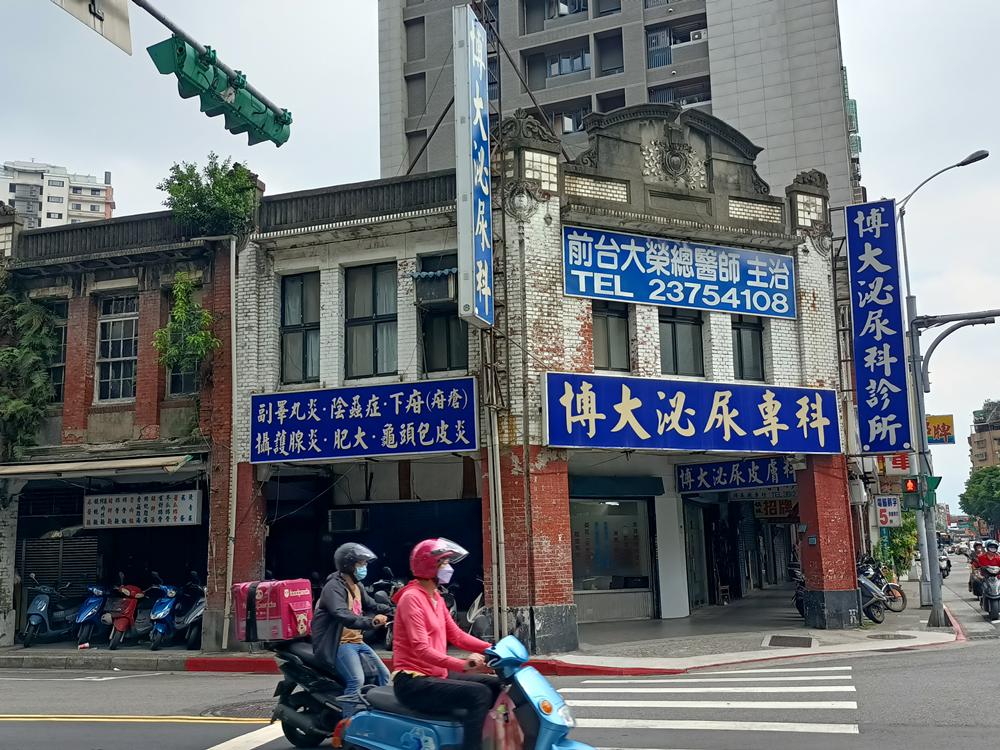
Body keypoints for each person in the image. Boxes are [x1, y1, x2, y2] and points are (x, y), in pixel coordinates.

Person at [391, 538, 500, 750]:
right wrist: (463, 664)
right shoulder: (411, 598)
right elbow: (421, 649)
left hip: (436, 674)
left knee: (496, 685)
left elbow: (456, 635)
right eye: (444, 563)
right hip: (413, 682)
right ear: (429, 566)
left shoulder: (436, 597)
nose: (449, 568)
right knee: (480, 694)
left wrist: (492, 649)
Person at [312, 543, 392, 716]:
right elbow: (342, 614)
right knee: (356, 680)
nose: (364, 567)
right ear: (348, 565)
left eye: (365, 563)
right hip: (340, 643)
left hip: (357, 641)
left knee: (384, 675)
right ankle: (348, 725)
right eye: (361, 563)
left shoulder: (357, 586)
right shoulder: (333, 587)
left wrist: (394, 609)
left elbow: (372, 604)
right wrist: (371, 622)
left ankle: (378, 717)